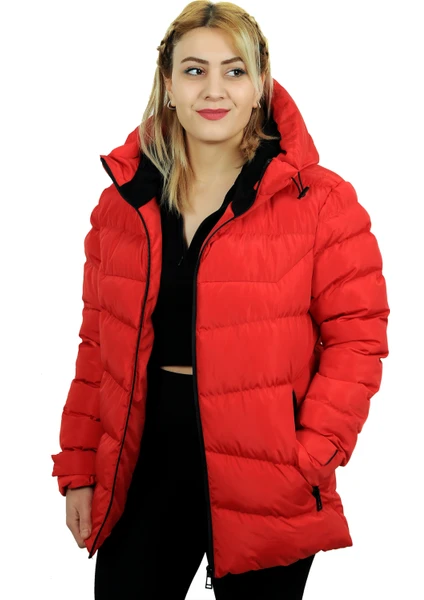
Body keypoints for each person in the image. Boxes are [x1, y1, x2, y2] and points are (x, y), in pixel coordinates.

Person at [51, 1, 390, 598]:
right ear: (168, 85)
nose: (214, 89)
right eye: (194, 70)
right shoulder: (123, 205)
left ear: (260, 85)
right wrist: (79, 466)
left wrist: (311, 454)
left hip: (268, 469)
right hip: (144, 456)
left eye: (235, 71)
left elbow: (358, 338)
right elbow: (95, 346)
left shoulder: (319, 201)